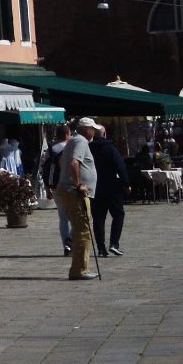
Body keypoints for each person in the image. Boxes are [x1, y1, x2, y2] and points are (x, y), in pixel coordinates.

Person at [57, 120, 100, 280]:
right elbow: (74, 163)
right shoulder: (81, 141)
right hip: (76, 193)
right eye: (92, 129)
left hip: (68, 190)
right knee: (83, 231)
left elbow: (62, 161)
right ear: (85, 130)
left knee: (79, 230)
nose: (93, 132)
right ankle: (80, 270)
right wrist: (78, 184)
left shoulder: (73, 140)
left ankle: (79, 268)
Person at [83, 120, 129, 257]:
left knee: (98, 218)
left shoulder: (88, 148)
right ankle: (114, 243)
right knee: (118, 214)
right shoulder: (110, 148)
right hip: (112, 186)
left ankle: (101, 248)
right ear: (104, 134)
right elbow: (120, 166)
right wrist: (126, 183)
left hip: (95, 187)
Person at [42, 125, 74, 254]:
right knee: (78, 217)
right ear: (67, 134)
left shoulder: (49, 149)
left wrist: (47, 188)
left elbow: (44, 169)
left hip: (54, 186)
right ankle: (70, 240)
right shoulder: (70, 148)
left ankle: (65, 245)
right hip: (69, 185)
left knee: (63, 217)